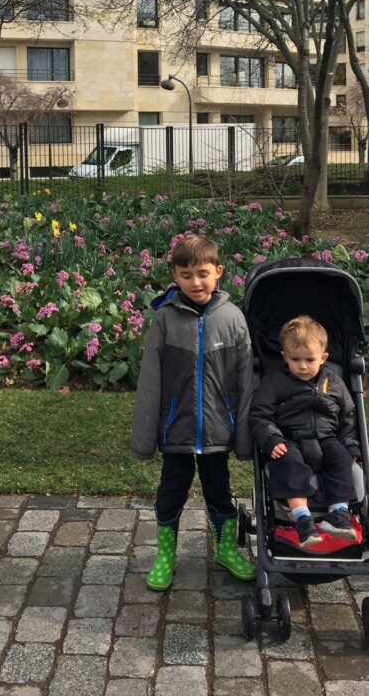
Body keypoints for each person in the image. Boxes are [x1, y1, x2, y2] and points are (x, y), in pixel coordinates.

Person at [131, 234, 256, 591]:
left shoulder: (233, 319)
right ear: (175, 274)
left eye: (203, 273)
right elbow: (150, 381)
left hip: (218, 430)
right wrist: (145, 438)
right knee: (172, 490)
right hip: (177, 430)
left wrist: (244, 435)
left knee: (219, 490)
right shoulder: (165, 319)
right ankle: (165, 555)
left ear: (218, 272)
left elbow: (246, 381)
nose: (195, 282)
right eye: (186, 275)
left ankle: (226, 549)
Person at [249, 315, 360, 548]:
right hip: (291, 438)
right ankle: (302, 519)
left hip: (326, 438)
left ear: (323, 358)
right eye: (295, 359)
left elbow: (348, 415)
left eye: (309, 359)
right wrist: (271, 439)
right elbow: (260, 414)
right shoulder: (275, 381)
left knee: (342, 459)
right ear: (284, 357)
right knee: (286, 460)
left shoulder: (335, 383)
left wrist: (349, 444)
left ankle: (338, 514)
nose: (302, 366)